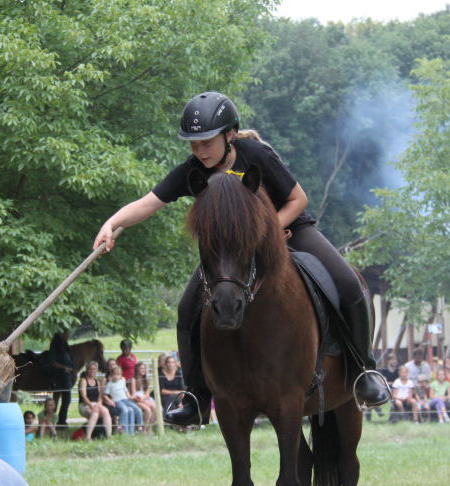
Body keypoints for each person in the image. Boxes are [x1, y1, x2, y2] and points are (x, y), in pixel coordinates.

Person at [92, 92, 390, 426]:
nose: (200, 151)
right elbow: (149, 202)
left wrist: (269, 232)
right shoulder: (193, 170)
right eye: (193, 144)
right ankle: (196, 395)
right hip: (234, 252)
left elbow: (298, 199)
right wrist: (111, 224)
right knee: (187, 308)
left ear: (229, 134)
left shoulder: (256, 155)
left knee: (348, 283)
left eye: (207, 142)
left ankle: (364, 371)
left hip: (289, 229)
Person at [44, 332, 74, 426]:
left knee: (67, 399)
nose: (68, 335)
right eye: (66, 333)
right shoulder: (55, 346)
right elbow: (52, 362)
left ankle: (61, 420)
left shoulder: (65, 346)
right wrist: (64, 368)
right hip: (59, 376)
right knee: (64, 399)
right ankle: (59, 421)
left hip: (66, 376)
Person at [78, 360, 113, 439]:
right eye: (90, 369)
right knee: (95, 413)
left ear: (96, 370)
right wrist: (91, 406)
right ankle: (88, 437)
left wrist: (99, 404)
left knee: (106, 411)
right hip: (85, 404)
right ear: (87, 369)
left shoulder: (97, 381)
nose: (92, 371)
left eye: (94, 369)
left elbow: (100, 396)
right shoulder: (83, 380)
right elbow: (83, 396)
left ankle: (109, 435)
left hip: (96, 404)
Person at [104, 365, 142, 435]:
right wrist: (110, 401)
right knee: (125, 409)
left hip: (125, 399)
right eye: (114, 374)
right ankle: (121, 427)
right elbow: (105, 395)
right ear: (111, 375)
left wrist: (129, 397)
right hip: (117, 401)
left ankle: (138, 427)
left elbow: (125, 390)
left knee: (136, 409)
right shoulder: (110, 384)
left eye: (118, 375)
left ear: (121, 375)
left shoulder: (122, 381)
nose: (116, 376)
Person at [130, 361, 157, 429]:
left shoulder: (146, 380)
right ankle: (144, 429)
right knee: (148, 410)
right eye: (141, 368)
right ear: (137, 369)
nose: (143, 370)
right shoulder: (133, 380)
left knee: (156, 409)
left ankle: (149, 428)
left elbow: (147, 393)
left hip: (144, 398)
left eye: (144, 368)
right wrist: (141, 400)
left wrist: (144, 399)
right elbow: (133, 394)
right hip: (136, 400)